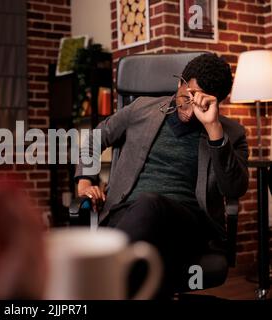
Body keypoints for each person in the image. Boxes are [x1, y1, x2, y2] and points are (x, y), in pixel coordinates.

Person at [75, 53, 249, 297]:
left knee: (151, 204)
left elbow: (234, 189)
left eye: (203, 103)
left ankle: (96, 281)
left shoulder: (231, 133)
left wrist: (214, 130)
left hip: (187, 227)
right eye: (187, 97)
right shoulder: (140, 108)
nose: (190, 110)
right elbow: (95, 138)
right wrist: (85, 181)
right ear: (180, 83)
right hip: (127, 215)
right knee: (149, 254)